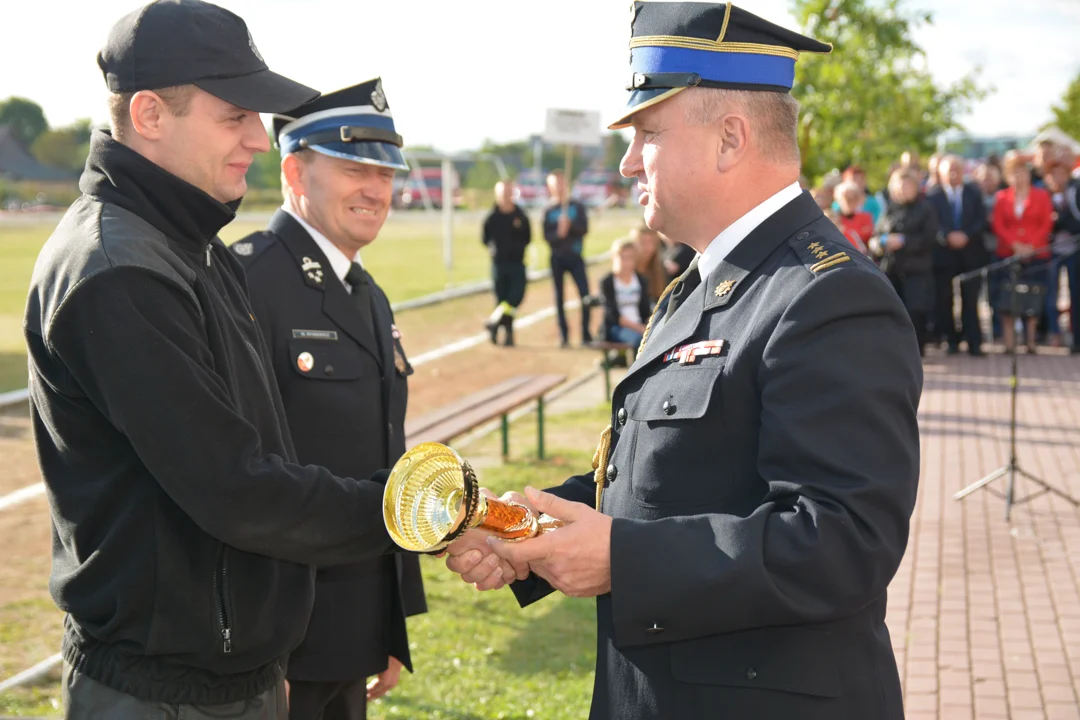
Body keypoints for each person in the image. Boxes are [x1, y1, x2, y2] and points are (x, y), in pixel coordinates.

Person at [444, 3, 921, 718]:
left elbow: (843, 541)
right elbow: (665, 480)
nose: (629, 160)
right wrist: (535, 531)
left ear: (730, 138)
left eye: (646, 133)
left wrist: (621, 558)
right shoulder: (700, 285)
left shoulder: (829, 295)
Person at [23, 3, 400, 716]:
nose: (260, 140)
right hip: (159, 694)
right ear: (150, 115)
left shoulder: (191, 245)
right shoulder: (118, 269)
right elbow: (236, 490)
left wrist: (264, 656)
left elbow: (263, 452)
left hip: (232, 679)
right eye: (236, 116)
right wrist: (406, 510)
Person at [230, 79, 427, 720]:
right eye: (352, 168)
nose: (376, 189)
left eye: (386, 172)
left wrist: (388, 625)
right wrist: (261, 652)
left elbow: (383, 457)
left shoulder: (367, 294)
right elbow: (233, 481)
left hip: (353, 627)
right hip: (280, 640)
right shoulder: (246, 283)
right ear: (294, 171)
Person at [991, 150, 1054, 353]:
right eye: (1014, 173)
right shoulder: (1001, 197)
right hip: (1008, 254)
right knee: (1007, 298)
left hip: (1036, 255)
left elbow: (1045, 224)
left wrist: (1031, 246)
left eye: (1022, 173)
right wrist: (1014, 245)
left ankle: (1031, 342)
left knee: (1033, 297)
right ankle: (1010, 343)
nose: (1019, 177)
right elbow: (998, 225)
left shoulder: (1042, 195)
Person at [927, 155, 989, 356]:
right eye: (949, 170)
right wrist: (947, 236)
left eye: (957, 169)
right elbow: (931, 224)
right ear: (941, 174)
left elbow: (982, 220)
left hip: (971, 253)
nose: (953, 174)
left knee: (971, 299)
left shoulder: (974, 192)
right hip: (944, 255)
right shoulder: (932, 196)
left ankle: (974, 342)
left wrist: (966, 235)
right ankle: (951, 341)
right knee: (945, 300)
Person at [875, 167, 939, 355]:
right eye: (899, 185)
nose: (903, 189)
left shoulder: (926, 208)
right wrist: (881, 241)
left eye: (907, 185)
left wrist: (903, 241)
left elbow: (929, 238)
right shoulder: (889, 209)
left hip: (917, 269)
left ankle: (916, 351)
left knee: (915, 311)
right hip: (892, 268)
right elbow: (879, 232)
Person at [542, 170, 592, 347]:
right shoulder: (548, 210)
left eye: (560, 183)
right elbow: (546, 236)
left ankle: (586, 334)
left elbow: (584, 228)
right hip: (557, 258)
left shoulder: (576, 206)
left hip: (576, 256)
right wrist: (558, 233)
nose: (558, 187)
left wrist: (570, 226)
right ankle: (564, 336)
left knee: (585, 296)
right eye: (554, 184)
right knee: (559, 299)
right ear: (550, 187)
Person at [481, 179, 532, 346]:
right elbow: (485, 238)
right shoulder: (492, 217)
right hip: (499, 264)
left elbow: (528, 237)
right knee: (501, 300)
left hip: (517, 264)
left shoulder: (521, 216)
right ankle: (506, 334)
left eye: (509, 192)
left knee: (514, 298)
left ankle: (495, 323)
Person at [1045, 147, 1080, 353]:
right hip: (1051, 252)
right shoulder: (1043, 195)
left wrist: (1061, 220)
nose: (1058, 178)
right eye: (1053, 174)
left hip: (1074, 251)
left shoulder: (1075, 192)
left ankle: (1076, 338)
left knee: (1075, 295)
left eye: (1061, 173)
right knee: (1051, 295)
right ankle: (1053, 334)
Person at [598, 237, 651, 348]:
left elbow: (645, 309)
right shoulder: (607, 282)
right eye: (622, 257)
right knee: (639, 340)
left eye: (630, 258)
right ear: (613, 257)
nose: (626, 262)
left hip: (640, 324)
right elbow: (612, 314)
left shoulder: (641, 280)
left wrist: (648, 326)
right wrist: (639, 328)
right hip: (617, 328)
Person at [832, 180, 873, 253]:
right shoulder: (834, 218)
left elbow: (868, 234)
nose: (849, 201)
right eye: (845, 198)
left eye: (853, 198)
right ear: (838, 200)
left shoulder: (865, 217)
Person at [631, 224, 668, 300]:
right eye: (643, 242)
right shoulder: (627, 270)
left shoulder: (660, 270)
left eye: (652, 242)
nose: (648, 247)